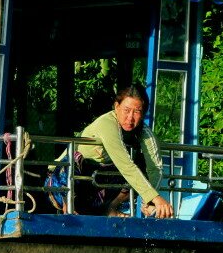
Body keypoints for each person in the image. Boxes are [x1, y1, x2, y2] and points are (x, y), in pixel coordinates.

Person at [45, 83, 174, 219]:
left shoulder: (143, 131)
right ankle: (69, 207)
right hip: (59, 185)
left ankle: (110, 208)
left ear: (143, 113)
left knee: (140, 163)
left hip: (97, 186)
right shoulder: (107, 124)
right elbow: (125, 164)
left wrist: (150, 200)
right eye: (126, 110)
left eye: (137, 112)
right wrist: (156, 198)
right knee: (75, 157)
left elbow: (156, 168)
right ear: (116, 107)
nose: (130, 118)